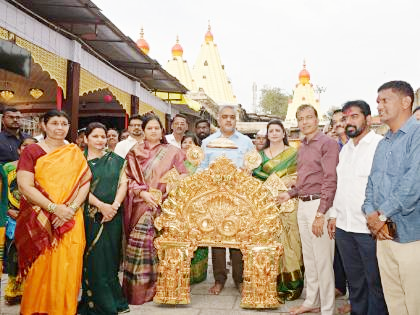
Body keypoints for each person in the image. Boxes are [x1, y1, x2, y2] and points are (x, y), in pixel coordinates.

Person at [15, 110, 91, 315]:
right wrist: (54, 208)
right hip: (40, 218)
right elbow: (25, 186)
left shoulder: (74, 151)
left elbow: (85, 182)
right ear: (43, 125)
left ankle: (64, 310)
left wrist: (71, 209)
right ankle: (35, 310)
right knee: (41, 266)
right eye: (55, 123)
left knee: (68, 268)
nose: (60, 128)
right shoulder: (32, 151)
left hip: (71, 219)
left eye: (64, 123)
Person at [363, 81, 420, 315]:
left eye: (385, 100)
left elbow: (413, 184)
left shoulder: (416, 137)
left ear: (406, 102)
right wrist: (370, 213)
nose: (379, 106)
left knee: (414, 304)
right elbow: (371, 184)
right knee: (394, 303)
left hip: (410, 238)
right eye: (378, 101)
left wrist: (382, 213)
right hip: (383, 235)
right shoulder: (383, 142)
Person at [277, 104, 339, 315]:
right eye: (300, 118)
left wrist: (321, 214)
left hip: (319, 205)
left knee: (323, 261)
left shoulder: (328, 143)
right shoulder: (302, 146)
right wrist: (290, 193)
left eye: (309, 117)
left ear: (317, 119)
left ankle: (328, 308)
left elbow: (330, 179)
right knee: (310, 259)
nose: (305, 122)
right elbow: (305, 180)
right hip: (303, 204)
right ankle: (311, 300)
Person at [328, 100, 387, 315]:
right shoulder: (346, 151)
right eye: (346, 118)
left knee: (375, 284)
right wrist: (334, 215)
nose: (349, 122)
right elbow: (340, 186)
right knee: (355, 284)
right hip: (345, 227)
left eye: (354, 116)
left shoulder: (380, 145)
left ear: (368, 119)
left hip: (368, 229)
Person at [122, 113, 187, 305]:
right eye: (149, 128)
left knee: (160, 247)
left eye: (156, 128)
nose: (153, 131)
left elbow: (183, 175)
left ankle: (161, 288)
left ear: (162, 131)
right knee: (139, 244)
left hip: (165, 205)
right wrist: (144, 194)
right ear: (143, 130)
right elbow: (128, 179)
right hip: (140, 203)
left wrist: (169, 188)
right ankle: (138, 291)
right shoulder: (134, 152)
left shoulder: (173, 151)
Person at [198, 105, 254, 295]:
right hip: (214, 197)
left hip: (239, 196)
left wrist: (248, 172)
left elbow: (252, 166)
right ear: (218, 120)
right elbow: (201, 168)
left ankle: (240, 279)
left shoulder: (246, 142)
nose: (228, 120)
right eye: (225, 117)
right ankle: (219, 279)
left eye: (232, 117)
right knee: (217, 238)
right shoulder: (208, 142)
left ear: (235, 120)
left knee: (239, 237)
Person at [78, 122, 129, 315]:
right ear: (86, 139)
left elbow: (123, 184)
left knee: (110, 259)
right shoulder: (78, 161)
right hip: (90, 215)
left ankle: (115, 300)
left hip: (113, 217)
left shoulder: (116, 160)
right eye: (95, 136)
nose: (100, 140)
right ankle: (95, 303)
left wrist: (114, 206)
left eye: (103, 136)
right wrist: (101, 206)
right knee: (93, 259)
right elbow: (77, 188)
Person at [252, 119, 304, 301]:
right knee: (269, 239)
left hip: (288, 201)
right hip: (266, 203)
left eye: (277, 130)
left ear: (283, 134)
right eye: (271, 131)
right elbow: (254, 177)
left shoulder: (293, 153)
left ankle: (291, 284)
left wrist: (285, 184)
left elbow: (299, 175)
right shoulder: (258, 155)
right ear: (267, 134)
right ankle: (269, 282)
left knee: (291, 240)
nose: (274, 133)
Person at [2, 137, 37, 305]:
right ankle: (14, 291)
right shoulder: (8, 168)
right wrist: (8, 210)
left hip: (34, 216)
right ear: (18, 149)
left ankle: (31, 291)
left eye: (32, 146)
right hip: (12, 217)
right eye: (25, 146)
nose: (28, 149)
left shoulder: (41, 167)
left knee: (33, 252)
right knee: (13, 254)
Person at [180, 132, 209, 284]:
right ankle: (183, 270)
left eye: (191, 142)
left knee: (199, 234)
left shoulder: (202, 163)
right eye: (185, 142)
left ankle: (198, 273)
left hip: (199, 205)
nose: (187, 145)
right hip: (182, 204)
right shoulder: (176, 161)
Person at [330, 109, 349, 303]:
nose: (338, 124)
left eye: (342, 120)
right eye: (335, 122)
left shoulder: (357, 144)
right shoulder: (334, 147)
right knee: (338, 248)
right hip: (336, 202)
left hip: (357, 206)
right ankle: (339, 286)